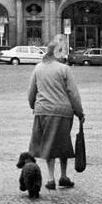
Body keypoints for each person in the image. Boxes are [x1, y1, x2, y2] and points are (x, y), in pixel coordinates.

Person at [27, 34, 86, 190]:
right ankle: (63, 176)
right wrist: (79, 112)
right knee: (62, 143)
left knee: (48, 143)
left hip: (43, 110)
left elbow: (31, 92)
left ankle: (51, 178)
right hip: (62, 112)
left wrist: (34, 106)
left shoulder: (38, 68)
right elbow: (73, 93)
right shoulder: (64, 69)